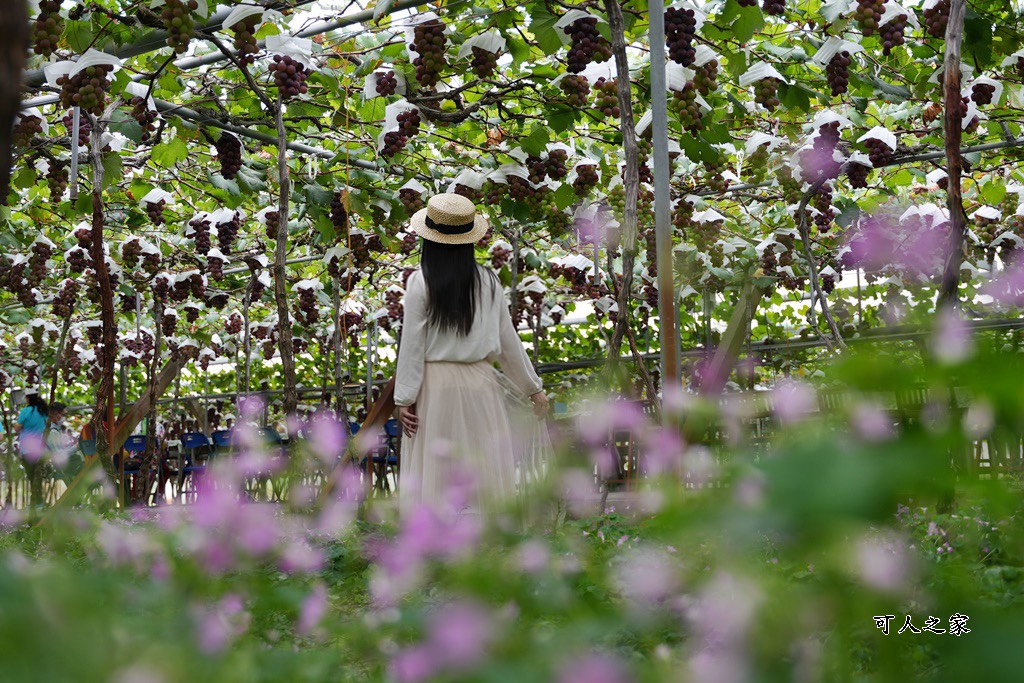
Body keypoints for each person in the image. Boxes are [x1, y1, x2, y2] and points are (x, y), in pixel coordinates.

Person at [394, 194, 549, 517]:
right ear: (469, 240)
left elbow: (411, 345)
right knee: (483, 468)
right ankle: (487, 548)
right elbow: (509, 343)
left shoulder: (420, 282)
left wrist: (404, 397)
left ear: (429, 239)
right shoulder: (489, 282)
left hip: (434, 389)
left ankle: (435, 544)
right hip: (481, 385)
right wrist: (532, 388)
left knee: (436, 473)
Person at [14, 388, 48, 506]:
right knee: (38, 475)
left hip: (27, 448)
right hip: (41, 448)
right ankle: (39, 501)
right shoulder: (43, 410)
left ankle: (37, 502)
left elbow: (17, 427)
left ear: (28, 398)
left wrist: (16, 426)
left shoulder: (25, 411)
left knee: (31, 476)